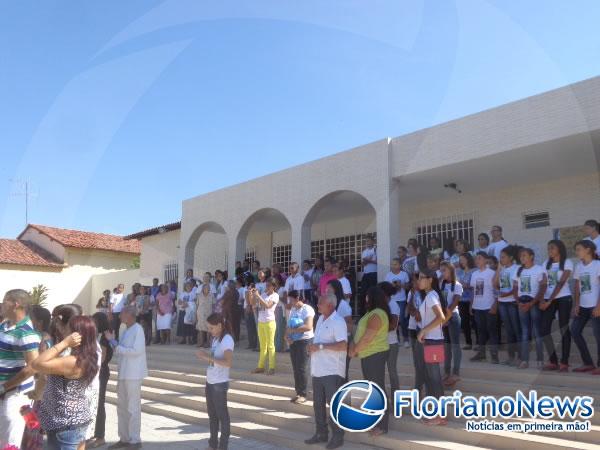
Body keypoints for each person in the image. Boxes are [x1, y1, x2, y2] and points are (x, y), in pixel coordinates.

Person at [32, 315, 99, 450]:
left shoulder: (73, 362)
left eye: (68, 329)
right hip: (74, 421)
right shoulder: (86, 356)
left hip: (65, 425)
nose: (64, 332)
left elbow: (37, 363)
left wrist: (64, 343)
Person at [304, 293, 347, 450]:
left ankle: (338, 436)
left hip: (332, 370)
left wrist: (321, 346)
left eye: (320, 303)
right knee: (318, 405)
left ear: (330, 305)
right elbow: (318, 343)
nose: (318, 305)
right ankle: (321, 433)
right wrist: (313, 348)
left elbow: (343, 345)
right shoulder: (321, 319)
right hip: (318, 370)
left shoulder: (338, 321)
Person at [0, 289, 41, 448]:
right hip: (4, 392)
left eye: (5, 301)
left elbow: (33, 367)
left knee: (10, 441)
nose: (2, 304)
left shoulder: (26, 333)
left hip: (13, 395)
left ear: (15, 304)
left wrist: (5, 387)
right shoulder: (6, 325)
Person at [349, 286, 390, 436]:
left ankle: (383, 425)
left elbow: (367, 337)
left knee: (377, 388)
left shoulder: (377, 314)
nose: (365, 298)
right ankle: (377, 420)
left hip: (375, 355)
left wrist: (354, 349)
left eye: (367, 296)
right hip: (368, 355)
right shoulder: (371, 313)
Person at [104, 306, 147, 449]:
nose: (120, 315)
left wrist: (116, 345)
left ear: (130, 315)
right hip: (123, 373)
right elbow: (120, 349)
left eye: (122, 313)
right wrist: (113, 342)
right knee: (121, 407)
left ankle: (135, 440)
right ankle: (124, 438)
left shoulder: (138, 329)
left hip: (133, 374)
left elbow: (137, 351)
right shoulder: (124, 329)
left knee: (133, 407)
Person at [196, 313, 234, 450]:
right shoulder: (216, 339)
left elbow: (228, 363)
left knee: (222, 416)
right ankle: (212, 445)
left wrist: (207, 357)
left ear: (219, 326)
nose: (209, 331)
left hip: (219, 383)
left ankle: (223, 447)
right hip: (210, 381)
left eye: (211, 328)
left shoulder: (227, 339)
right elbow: (215, 356)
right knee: (212, 415)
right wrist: (206, 353)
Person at [415, 268, 447, 426]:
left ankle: (440, 416)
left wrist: (424, 330)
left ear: (430, 280)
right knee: (432, 378)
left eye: (422, 278)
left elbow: (441, 317)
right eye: (418, 278)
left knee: (435, 379)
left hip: (433, 341)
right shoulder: (429, 296)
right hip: (432, 341)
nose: (419, 280)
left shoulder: (431, 296)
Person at [540, 240, 573, 372]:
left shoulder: (567, 262)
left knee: (563, 328)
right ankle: (553, 361)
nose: (550, 250)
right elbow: (543, 283)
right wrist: (542, 299)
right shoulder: (545, 264)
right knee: (544, 330)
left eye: (552, 248)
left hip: (564, 298)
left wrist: (549, 300)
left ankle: (564, 362)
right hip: (548, 299)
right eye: (548, 248)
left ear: (560, 248)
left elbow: (561, 283)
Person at [513, 248, 547, 369]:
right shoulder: (518, 270)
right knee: (525, 332)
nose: (522, 258)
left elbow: (543, 287)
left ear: (531, 256)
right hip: (522, 303)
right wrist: (518, 302)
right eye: (520, 256)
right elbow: (515, 288)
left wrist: (532, 303)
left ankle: (540, 360)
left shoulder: (539, 269)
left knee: (537, 331)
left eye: (524, 255)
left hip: (534, 302)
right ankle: (524, 360)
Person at [570, 240, 600, 373]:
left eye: (578, 249)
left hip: (595, 305)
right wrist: (576, 304)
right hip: (582, 306)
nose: (576, 252)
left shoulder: (598, 265)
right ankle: (588, 363)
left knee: (598, 335)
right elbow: (577, 286)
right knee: (575, 331)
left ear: (588, 250)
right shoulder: (579, 266)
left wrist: (599, 306)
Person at [86, 312, 113, 449]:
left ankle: (100, 436)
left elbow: (101, 358)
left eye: (94, 320)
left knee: (100, 403)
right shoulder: (99, 336)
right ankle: (94, 434)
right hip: (98, 372)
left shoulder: (104, 337)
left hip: (101, 372)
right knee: (94, 402)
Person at [285, 290, 315, 404]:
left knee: (302, 368)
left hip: (305, 341)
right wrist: (286, 336)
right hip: (294, 342)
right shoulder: (293, 310)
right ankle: (298, 393)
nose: (290, 302)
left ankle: (303, 394)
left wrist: (293, 330)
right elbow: (288, 326)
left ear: (297, 298)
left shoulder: (307, 309)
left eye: (291, 300)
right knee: (296, 368)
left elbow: (308, 326)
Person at [470, 252, 499, 363]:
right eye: (476, 259)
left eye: (480, 258)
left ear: (486, 260)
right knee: (480, 331)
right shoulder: (474, 274)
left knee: (492, 331)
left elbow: (496, 290)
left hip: (489, 306)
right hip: (478, 307)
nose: (477, 261)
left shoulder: (491, 273)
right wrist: (471, 305)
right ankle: (481, 354)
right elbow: (473, 290)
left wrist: (495, 305)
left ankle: (494, 354)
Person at [495, 245, 521, 366]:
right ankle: (511, 357)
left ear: (511, 257)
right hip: (503, 303)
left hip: (512, 302)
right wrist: (498, 269)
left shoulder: (517, 268)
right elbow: (495, 285)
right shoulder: (503, 269)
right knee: (509, 331)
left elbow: (516, 287)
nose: (501, 259)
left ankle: (521, 357)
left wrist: (505, 295)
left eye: (503, 257)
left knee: (516, 329)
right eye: (500, 257)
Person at [249, 278, 279, 375]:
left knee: (270, 346)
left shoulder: (275, 296)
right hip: (261, 322)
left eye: (269, 285)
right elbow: (253, 304)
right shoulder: (263, 295)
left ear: (274, 286)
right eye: (266, 285)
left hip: (270, 322)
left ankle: (272, 367)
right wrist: (252, 295)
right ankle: (260, 366)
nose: (267, 287)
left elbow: (268, 306)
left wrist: (258, 295)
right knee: (263, 346)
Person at [440, 261, 462, 387]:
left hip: (452, 317)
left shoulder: (457, 285)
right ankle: (447, 372)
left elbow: (454, 303)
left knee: (455, 345)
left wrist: (447, 318)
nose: (442, 273)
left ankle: (456, 372)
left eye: (444, 270)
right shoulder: (440, 284)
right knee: (446, 347)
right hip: (443, 317)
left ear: (451, 271)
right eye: (441, 270)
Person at [326, 280, 352, 381]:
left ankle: (345, 396)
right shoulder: (330, 304)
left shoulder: (343, 305)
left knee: (342, 373)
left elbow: (349, 325)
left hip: (342, 341)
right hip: (332, 341)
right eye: (326, 288)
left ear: (336, 289)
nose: (326, 290)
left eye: (329, 288)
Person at [378, 282, 401, 394]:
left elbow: (393, 326)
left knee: (392, 372)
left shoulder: (393, 305)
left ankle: (396, 399)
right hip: (380, 344)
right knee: (379, 373)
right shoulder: (380, 305)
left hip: (391, 344)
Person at [28, 305, 52, 402]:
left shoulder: (43, 339)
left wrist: (37, 391)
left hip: (40, 382)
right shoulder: (48, 336)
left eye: (31, 319)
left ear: (40, 322)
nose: (29, 321)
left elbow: (42, 366)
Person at [385, 258, 410, 348]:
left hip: (402, 300)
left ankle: (406, 340)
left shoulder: (404, 274)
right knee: (393, 319)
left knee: (402, 320)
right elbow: (386, 288)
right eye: (392, 264)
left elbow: (408, 286)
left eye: (395, 264)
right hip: (392, 300)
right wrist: (392, 286)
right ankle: (397, 339)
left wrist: (400, 285)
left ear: (400, 265)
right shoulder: (388, 275)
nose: (393, 266)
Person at [457, 253, 476, 350]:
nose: (461, 261)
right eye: (460, 259)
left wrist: (466, 285)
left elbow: (475, 285)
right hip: (461, 299)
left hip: (472, 299)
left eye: (463, 259)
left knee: (474, 322)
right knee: (464, 322)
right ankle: (468, 342)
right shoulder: (459, 272)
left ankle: (479, 343)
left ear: (468, 259)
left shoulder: (474, 271)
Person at [359, 237, 378, 316]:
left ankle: (373, 312)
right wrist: (367, 261)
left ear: (373, 241)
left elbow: (378, 261)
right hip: (366, 274)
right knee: (363, 293)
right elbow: (363, 263)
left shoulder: (376, 250)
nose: (368, 242)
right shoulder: (364, 252)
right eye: (367, 241)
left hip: (374, 273)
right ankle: (362, 314)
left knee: (372, 294)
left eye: (369, 240)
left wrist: (369, 260)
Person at [197, 283, 216, 348]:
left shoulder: (212, 295)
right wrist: (196, 314)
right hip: (200, 314)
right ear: (202, 289)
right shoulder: (199, 295)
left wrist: (213, 314)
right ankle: (201, 342)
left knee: (209, 329)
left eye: (208, 288)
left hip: (209, 314)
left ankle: (208, 343)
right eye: (205, 288)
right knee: (201, 329)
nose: (207, 289)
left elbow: (214, 305)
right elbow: (197, 305)